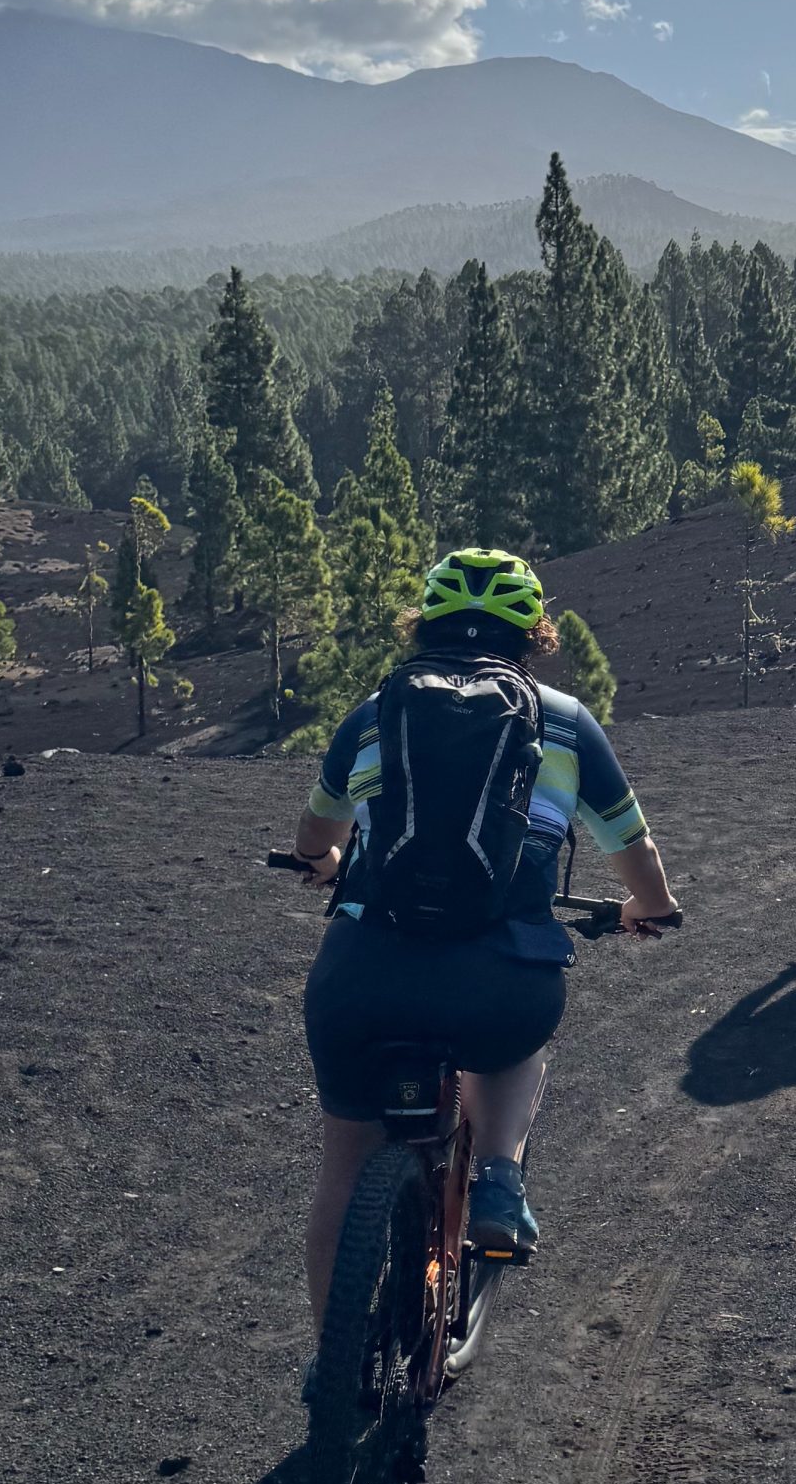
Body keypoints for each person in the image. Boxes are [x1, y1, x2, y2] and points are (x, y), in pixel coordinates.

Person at [287, 548, 680, 1366]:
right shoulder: (566, 719)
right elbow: (632, 848)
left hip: (361, 975)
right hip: (497, 981)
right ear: (533, 635)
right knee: (516, 1037)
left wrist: (324, 866)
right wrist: (651, 907)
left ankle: (336, 1368)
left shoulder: (372, 713)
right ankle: (498, 1171)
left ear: (422, 626)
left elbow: (314, 836)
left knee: (343, 1164)